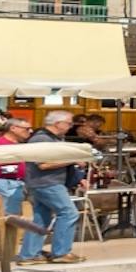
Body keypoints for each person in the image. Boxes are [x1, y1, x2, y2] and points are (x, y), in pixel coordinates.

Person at [17, 111, 86, 264]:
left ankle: (29, 255)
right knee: (69, 213)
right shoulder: (41, 139)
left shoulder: (53, 138)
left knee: (41, 218)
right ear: (57, 123)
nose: (71, 126)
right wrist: (72, 160)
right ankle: (61, 252)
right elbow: (43, 164)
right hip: (47, 183)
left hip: (45, 182)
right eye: (68, 123)